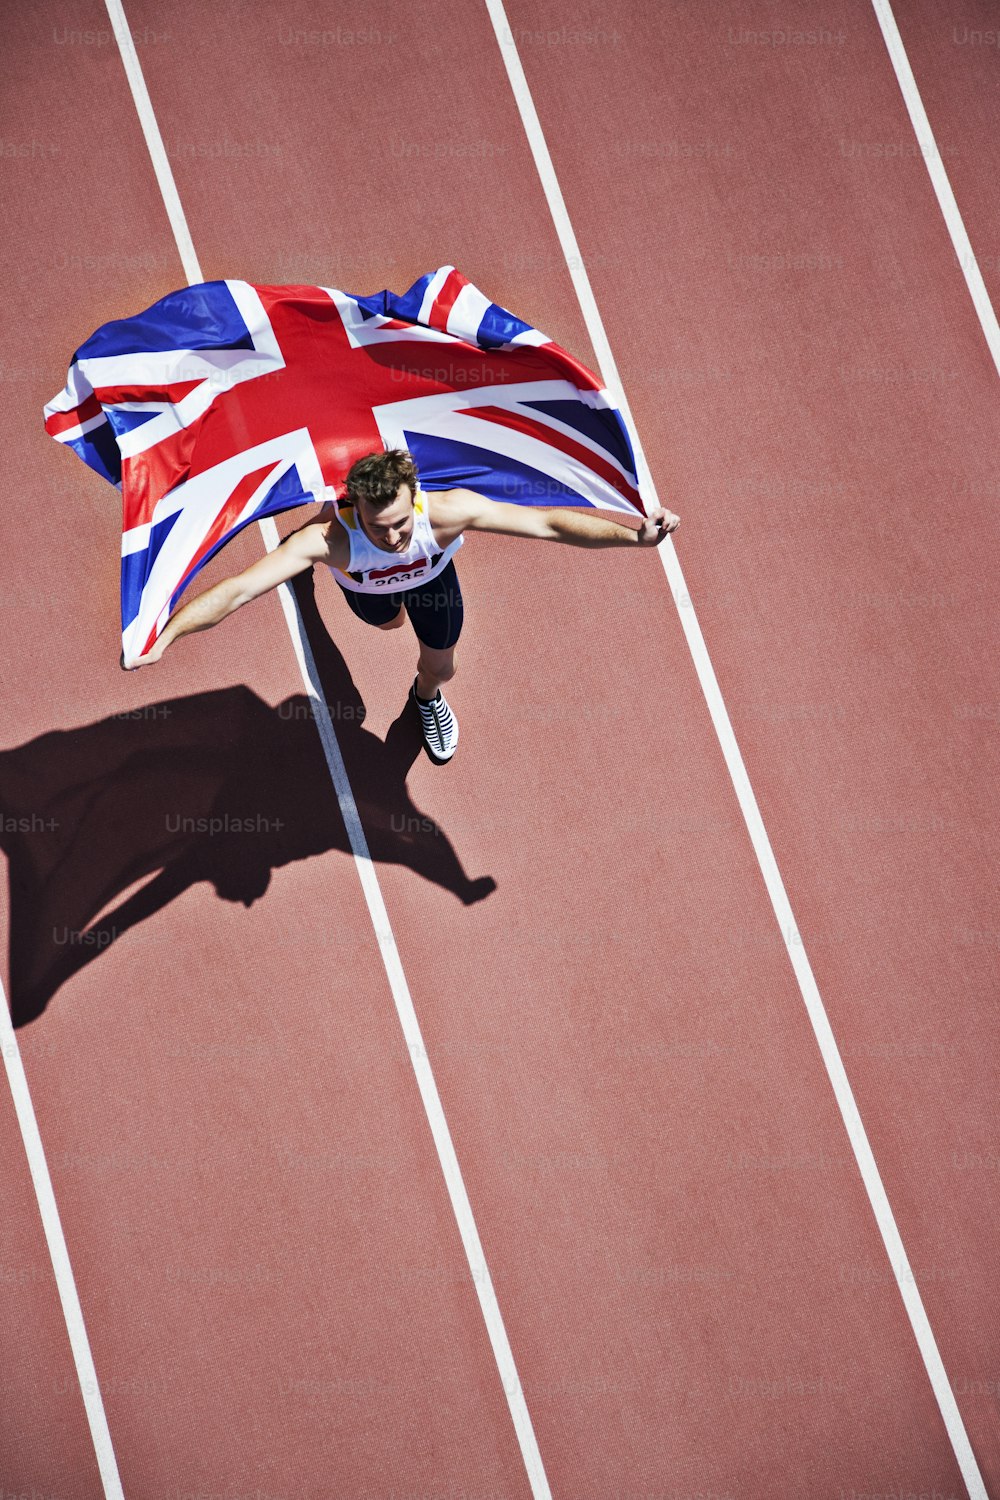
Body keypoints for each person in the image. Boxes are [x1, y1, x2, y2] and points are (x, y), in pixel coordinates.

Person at [125, 449, 680, 764]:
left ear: (414, 495)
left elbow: (547, 523)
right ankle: (309, 590)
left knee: (442, 666)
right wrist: (165, 637)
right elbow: (237, 591)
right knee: (387, 624)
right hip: (367, 589)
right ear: (352, 508)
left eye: (400, 522)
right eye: (378, 526)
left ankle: (426, 699)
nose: (392, 537)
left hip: (433, 582)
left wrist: (632, 538)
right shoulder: (330, 541)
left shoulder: (446, 512)